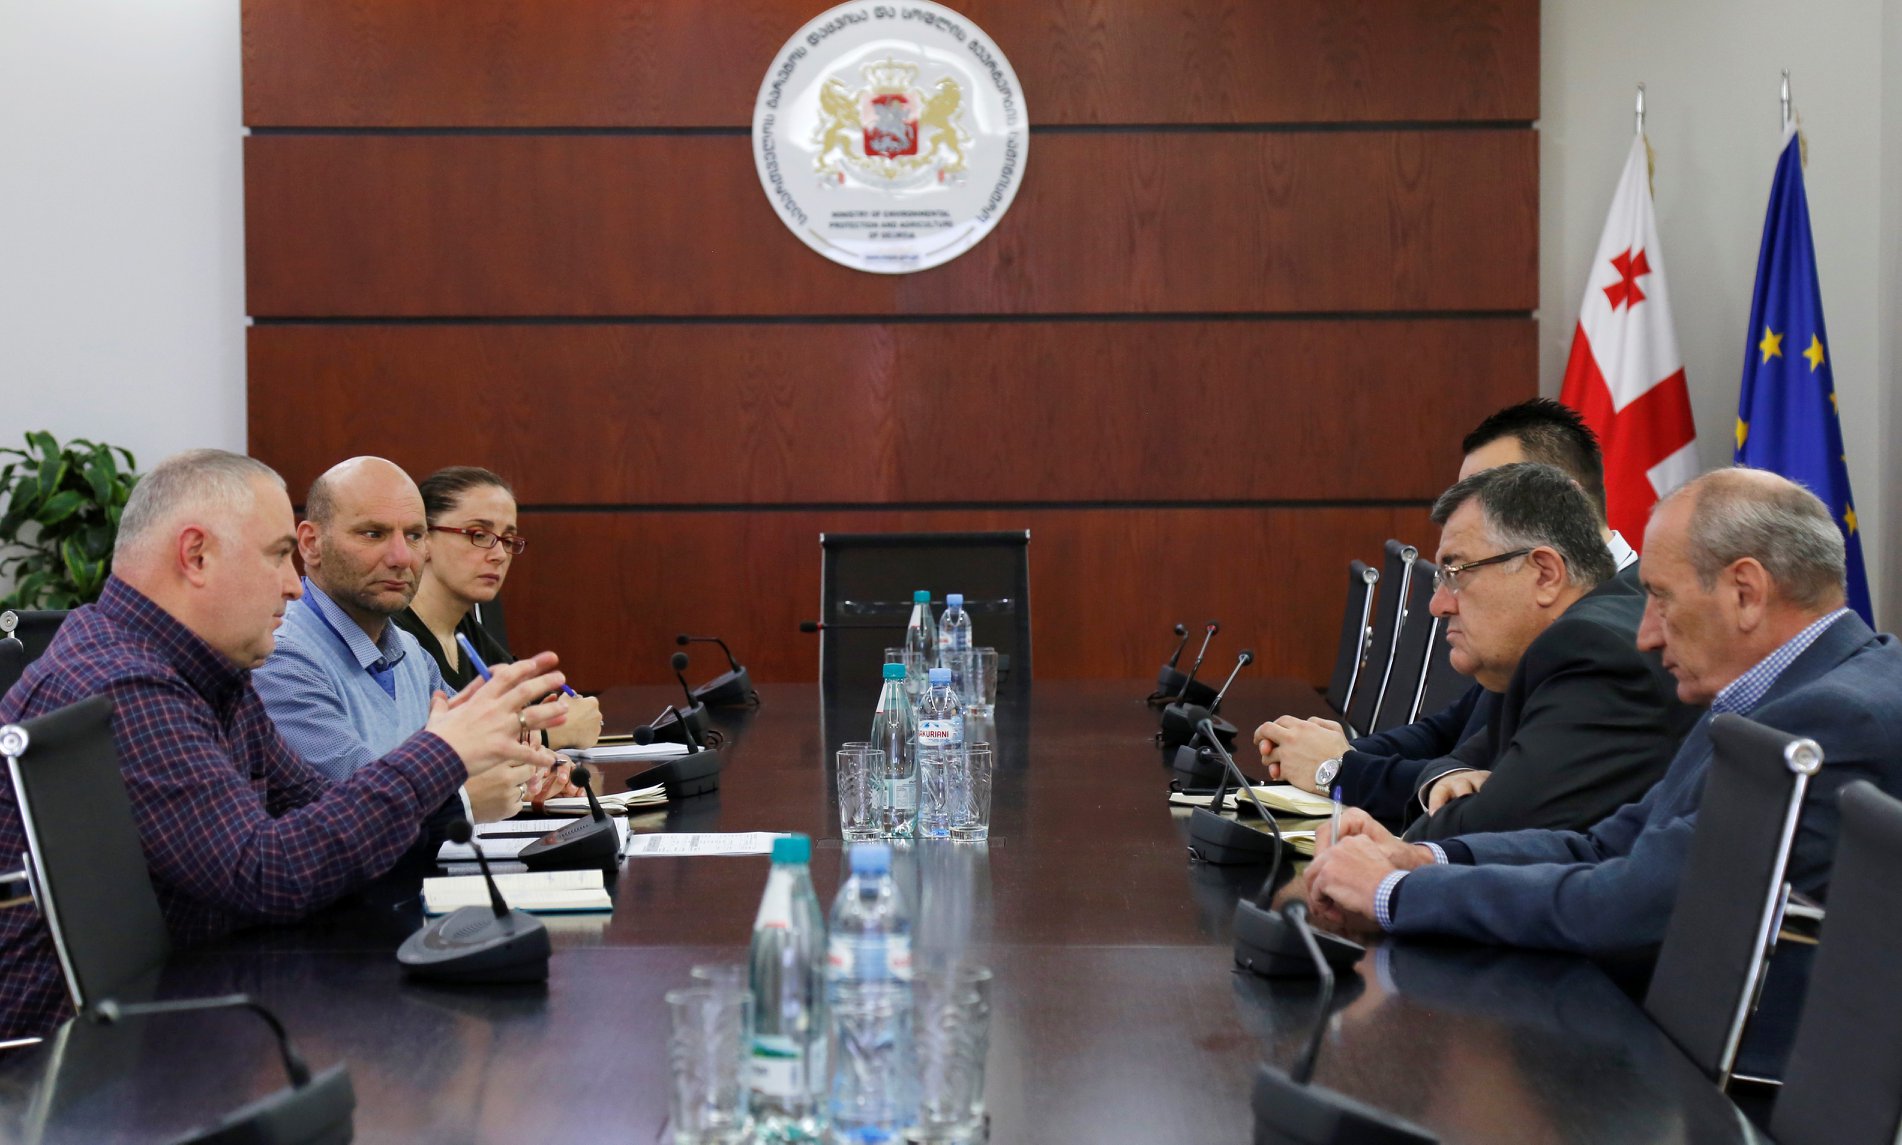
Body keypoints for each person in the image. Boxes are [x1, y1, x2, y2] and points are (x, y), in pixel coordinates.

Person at [0, 449, 571, 1037]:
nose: (294, 587)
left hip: (189, 1003)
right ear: (196, 556)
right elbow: (267, 873)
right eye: (277, 556)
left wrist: (452, 777)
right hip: (82, 1054)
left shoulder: (208, 671)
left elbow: (318, 808)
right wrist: (441, 755)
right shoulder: (125, 682)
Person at [1303, 468, 1902, 958]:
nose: (1645, 635)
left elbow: (1632, 904)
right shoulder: (1769, 692)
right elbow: (1605, 846)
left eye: (1660, 598)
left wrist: (1393, 894)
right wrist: (1422, 860)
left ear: (1745, 593)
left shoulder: (1835, 721)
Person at [1254, 398, 1645, 826]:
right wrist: (1332, 752)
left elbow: (1496, 807)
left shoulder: (1603, 641)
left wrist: (1337, 769)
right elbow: (1457, 742)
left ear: (1558, 500)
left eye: (1491, 489)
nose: (1437, 605)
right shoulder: (1535, 626)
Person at [1295, 464, 1693, 839]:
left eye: (1456, 573)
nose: (1437, 606)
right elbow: (1462, 760)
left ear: (1545, 574)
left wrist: (1341, 772)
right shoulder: (1550, 647)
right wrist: (1446, 780)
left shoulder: (1593, 651)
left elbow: (1480, 829)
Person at [251, 458, 569, 821]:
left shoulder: (412, 653)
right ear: (310, 544)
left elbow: (483, 750)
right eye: (373, 534)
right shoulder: (280, 655)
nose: (401, 557)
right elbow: (358, 803)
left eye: (414, 536)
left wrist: (535, 766)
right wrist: (464, 798)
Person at [390, 466, 602, 748]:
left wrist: (547, 718)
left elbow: (526, 711)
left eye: (508, 540)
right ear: (423, 537)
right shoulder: (390, 636)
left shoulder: (467, 632)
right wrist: (549, 735)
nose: (500, 554)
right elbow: (418, 751)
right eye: (479, 535)